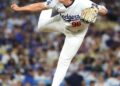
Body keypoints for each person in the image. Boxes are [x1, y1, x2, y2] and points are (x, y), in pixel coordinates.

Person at [11, 0, 108, 86]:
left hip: (76, 35)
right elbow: (39, 6)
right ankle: (54, 12)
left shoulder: (83, 3)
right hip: (62, 24)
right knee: (41, 26)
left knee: (64, 60)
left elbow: (104, 10)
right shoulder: (56, 2)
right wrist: (20, 8)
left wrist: (98, 10)